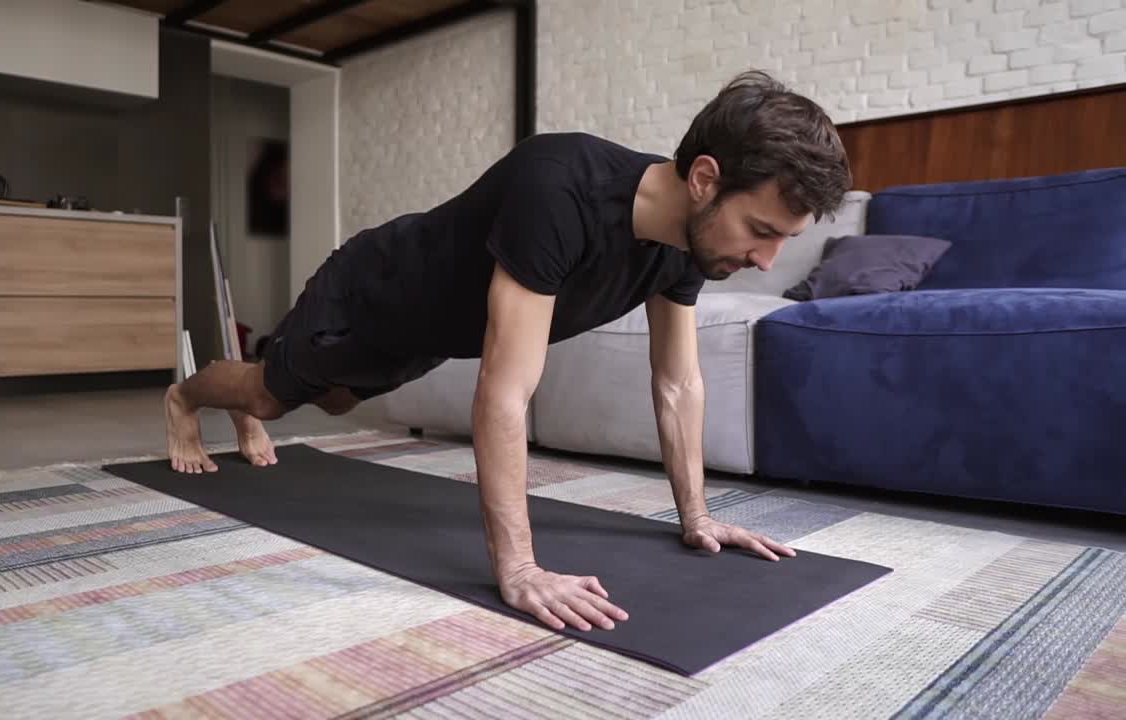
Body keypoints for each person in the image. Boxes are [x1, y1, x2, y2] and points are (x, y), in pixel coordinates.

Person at [163, 70, 852, 634]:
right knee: (270, 395)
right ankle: (187, 397)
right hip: (374, 293)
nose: (767, 260)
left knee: (338, 400)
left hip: (433, 333)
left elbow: (678, 384)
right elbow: (505, 389)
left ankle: (255, 401)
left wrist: (696, 517)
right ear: (705, 179)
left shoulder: (690, 248)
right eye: (761, 230)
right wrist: (519, 568)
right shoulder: (561, 186)